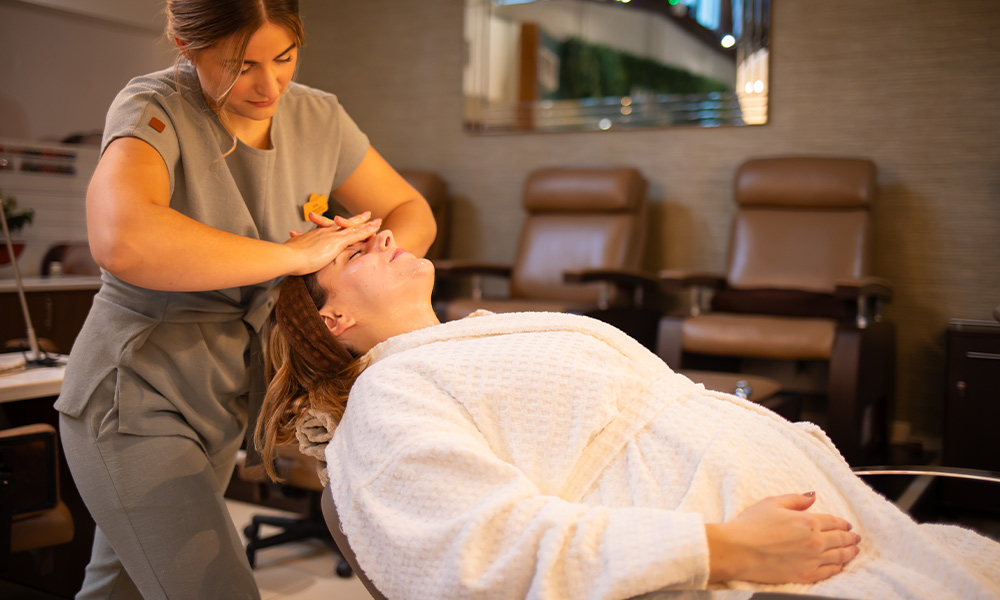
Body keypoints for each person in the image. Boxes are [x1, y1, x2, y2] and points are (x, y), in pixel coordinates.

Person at [258, 229, 1000, 600]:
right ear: (334, 321)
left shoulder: (458, 343)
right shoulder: (388, 399)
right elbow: (478, 551)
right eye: (353, 250)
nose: (385, 233)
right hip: (744, 557)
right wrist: (721, 548)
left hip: (821, 521)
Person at [54, 1, 437, 598]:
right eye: (239, 65)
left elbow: (412, 211)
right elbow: (122, 237)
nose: (268, 84)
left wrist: (362, 267)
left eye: (284, 58)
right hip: (136, 395)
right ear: (186, 46)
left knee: (118, 588)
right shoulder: (154, 106)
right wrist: (296, 257)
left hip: (226, 397)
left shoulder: (318, 115)